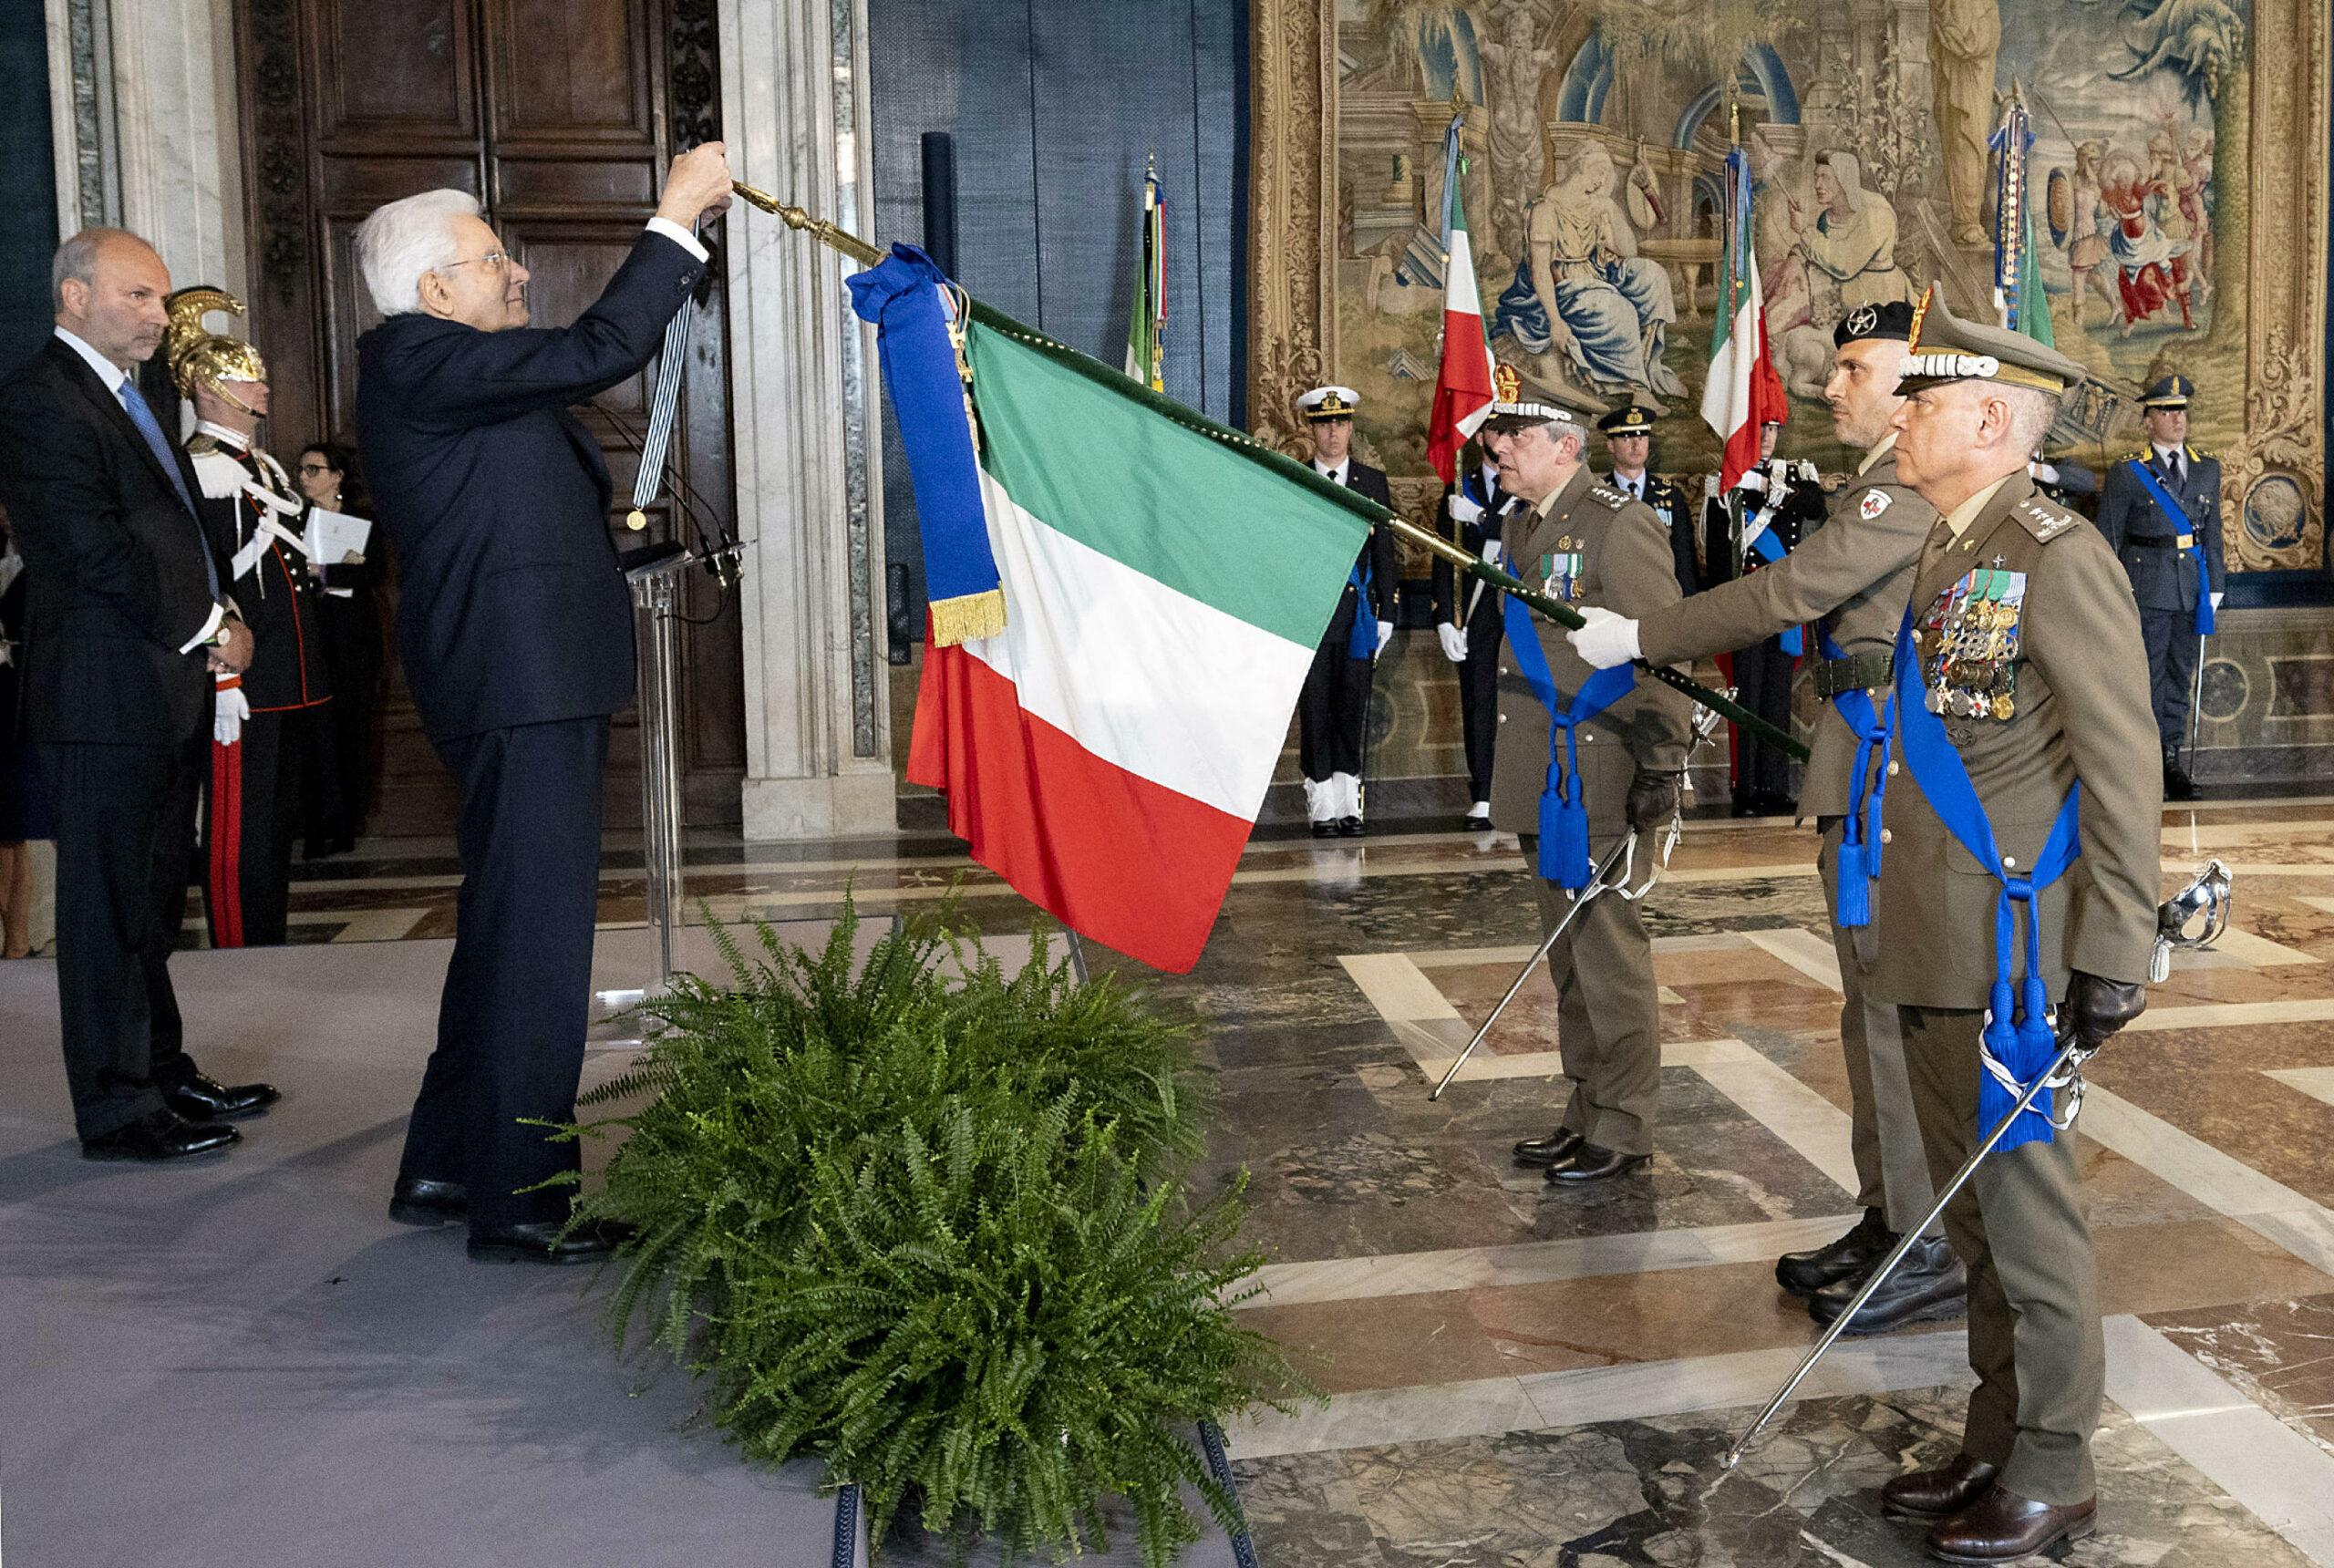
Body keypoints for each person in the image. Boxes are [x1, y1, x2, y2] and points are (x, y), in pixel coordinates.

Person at [354, 141, 735, 1262]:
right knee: (538, 939)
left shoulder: (446, 372)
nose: (515, 274)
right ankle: (523, 1198)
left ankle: (444, 1161)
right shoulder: (419, 356)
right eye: (491, 260)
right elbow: (601, 347)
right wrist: (673, 215)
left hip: (519, 670)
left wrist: (622, 568)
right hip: (516, 683)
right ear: (434, 291)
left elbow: (504, 527)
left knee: (504, 928)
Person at [1568, 300, 1967, 1334]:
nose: (1830, 385)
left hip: (1896, 775)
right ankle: (1888, 1219)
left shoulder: (1906, 494)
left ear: (1912, 383)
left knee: (1889, 1012)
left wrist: (1641, 634)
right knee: (1863, 1005)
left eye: (1853, 368)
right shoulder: (1879, 485)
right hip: (1861, 762)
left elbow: (1789, 592)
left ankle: (1922, 1241)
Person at [1870, 289, 2159, 1561]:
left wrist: (2112, 947)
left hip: (2013, 959)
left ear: (1991, 417)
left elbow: (2122, 757)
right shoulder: (1949, 547)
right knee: (1973, 1213)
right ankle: (1999, 1433)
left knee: (2030, 1218)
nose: (1899, 420)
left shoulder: (2057, 554)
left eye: (1921, 403)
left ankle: (2056, 1463)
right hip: (1936, 935)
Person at [0, 228, 277, 1160]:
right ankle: (117, 1109)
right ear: (74, 297)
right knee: (106, 907)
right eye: (138, 297)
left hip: (160, 684)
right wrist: (208, 628)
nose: (161, 317)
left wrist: (220, 606)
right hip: (101, 695)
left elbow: (182, 529)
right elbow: (88, 548)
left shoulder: (137, 391)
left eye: (160, 300)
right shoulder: (41, 399)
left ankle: (161, 1071)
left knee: (152, 894)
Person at [1486, 367, 1691, 1185]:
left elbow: (1662, 646)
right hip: (1546, 774)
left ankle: (1628, 1124)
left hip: (1599, 770)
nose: (1500, 447)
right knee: (1569, 958)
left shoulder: (1619, 525)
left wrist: (1664, 760)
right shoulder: (1527, 525)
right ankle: (1587, 1109)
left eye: (1519, 437)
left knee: (1607, 958)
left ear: (1567, 446)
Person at [169, 287, 332, 948]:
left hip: (288, 668)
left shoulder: (257, 464)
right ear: (209, 389)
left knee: (277, 818)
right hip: (241, 672)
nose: (261, 386)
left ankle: (270, 940)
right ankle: (240, 946)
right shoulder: (200, 469)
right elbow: (197, 569)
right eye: (245, 376)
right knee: (240, 823)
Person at [2093, 375, 2223, 801]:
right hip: (2144, 589)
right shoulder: (2128, 472)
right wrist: (2109, 595)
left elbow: (2213, 533)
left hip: (2191, 589)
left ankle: (2171, 759)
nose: (2177, 418)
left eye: (2181, 409)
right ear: (2147, 420)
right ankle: (2144, 764)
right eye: (2166, 411)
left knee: (2178, 676)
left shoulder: (2207, 468)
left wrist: (2216, 586)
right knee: (2145, 677)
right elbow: (2107, 538)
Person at [1700, 421, 1823, 816]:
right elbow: (1721, 555)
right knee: (1747, 698)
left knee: (1776, 698)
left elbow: (1815, 505)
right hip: (1747, 605)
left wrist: (1774, 491)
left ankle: (1774, 785)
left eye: (1773, 430)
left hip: (1785, 606)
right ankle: (1746, 786)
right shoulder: (1727, 485)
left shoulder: (1792, 475)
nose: (1768, 437)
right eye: (1760, 428)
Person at [1293, 385, 1397, 838]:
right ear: (1311, 428)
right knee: (1317, 708)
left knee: (1351, 707)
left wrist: (1389, 609)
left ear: (1351, 427)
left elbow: (1387, 551)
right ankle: (1321, 805)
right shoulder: (1296, 476)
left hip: (1358, 618)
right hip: (1315, 614)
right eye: (1323, 423)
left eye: (1339, 423)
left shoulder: (1371, 482)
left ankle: (1348, 802)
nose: (1332, 432)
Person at [294, 440, 384, 856]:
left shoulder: (363, 519)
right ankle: (313, 827)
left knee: (352, 732)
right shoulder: (294, 519)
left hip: (352, 641)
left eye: (313, 469)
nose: (304, 478)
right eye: (301, 470)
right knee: (312, 736)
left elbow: (373, 572)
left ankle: (346, 822)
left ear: (337, 475)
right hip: (309, 635)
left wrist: (326, 570)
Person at [1430, 436, 1506, 831]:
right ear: (1480, 436)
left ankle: (1519, 790)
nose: (1502, 440)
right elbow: (1444, 553)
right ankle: (1483, 794)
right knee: (1478, 702)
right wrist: (1445, 616)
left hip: (1520, 613)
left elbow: (1524, 531)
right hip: (1475, 615)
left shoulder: (1526, 481)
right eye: (1494, 430)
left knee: (1523, 704)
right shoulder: (1461, 486)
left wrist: (1479, 518)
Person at [0, 500, 55, 958]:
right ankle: (14, 940)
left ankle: (17, 940)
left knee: (13, 830)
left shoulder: (44, 560)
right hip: (8, 695)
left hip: (18, 696)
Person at [1596, 404, 1697, 596]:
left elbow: (1683, 556)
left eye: (1641, 438)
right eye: (1627, 438)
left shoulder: (1670, 495)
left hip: (1660, 594)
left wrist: (1687, 603)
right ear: (1611, 445)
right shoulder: (1599, 493)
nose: (1636, 445)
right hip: (1614, 595)